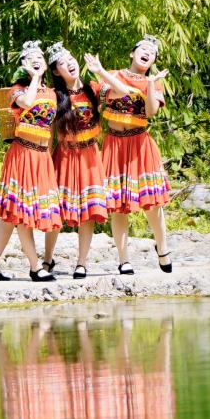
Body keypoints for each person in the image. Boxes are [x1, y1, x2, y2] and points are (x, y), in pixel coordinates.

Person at [84, 34, 173, 274]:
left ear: (153, 60)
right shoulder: (114, 75)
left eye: (152, 53)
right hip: (114, 145)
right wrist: (103, 72)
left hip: (140, 145)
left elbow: (151, 111)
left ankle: (162, 247)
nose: (147, 53)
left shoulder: (154, 82)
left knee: (152, 202)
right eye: (143, 49)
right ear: (132, 53)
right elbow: (112, 94)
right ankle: (124, 260)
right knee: (118, 205)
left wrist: (152, 84)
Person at [0, 41, 62, 283]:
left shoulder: (51, 94)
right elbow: (27, 103)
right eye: (30, 57)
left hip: (41, 156)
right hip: (22, 155)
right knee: (22, 212)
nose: (36, 59)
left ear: (47, 64)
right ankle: (35, 267)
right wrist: (35, 77)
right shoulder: (15, 91)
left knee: (11, 215)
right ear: (23, 65)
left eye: (39, 57)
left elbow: (50, 127)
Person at [44, 42, 107, 278]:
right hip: (65, 155)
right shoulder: (54, 96)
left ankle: (82, 262)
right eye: (62, 62)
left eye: (70, 57)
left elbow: (122, 92)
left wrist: (99, 70)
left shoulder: (93, 88)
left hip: (90, 155)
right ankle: (48, 259)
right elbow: (47, 131)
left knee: (88, 210)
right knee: (57, 209)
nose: (69, 62)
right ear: (55, 71)